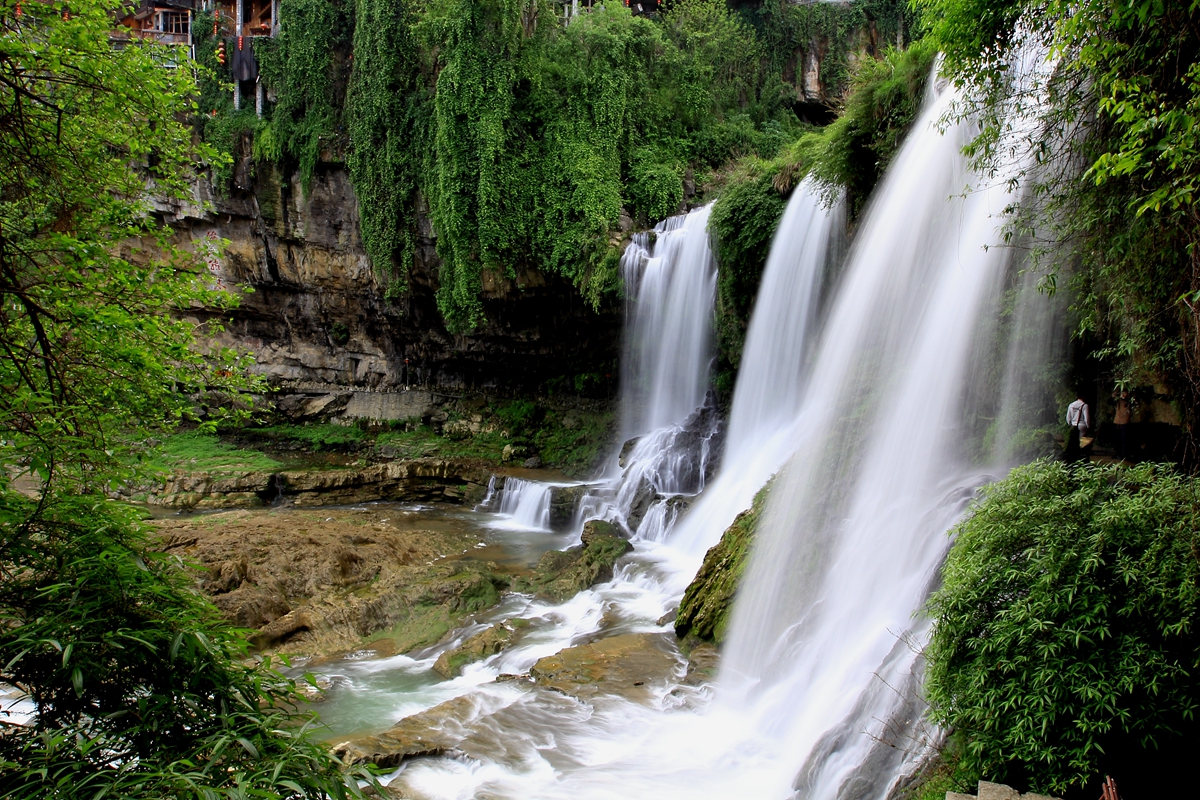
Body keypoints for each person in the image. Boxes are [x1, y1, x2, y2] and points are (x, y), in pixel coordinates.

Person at [1065, 394, 1090, 463]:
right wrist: (1088, 426)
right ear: (1084, 397)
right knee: (1082, 442)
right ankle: (1082, 456)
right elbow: (1086, 418)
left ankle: (1074, 455)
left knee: (1074, 441)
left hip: (1073, 425)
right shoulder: (1084, 405)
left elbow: (1068, 418)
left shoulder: (1071, 405)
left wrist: (1070, 424)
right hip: (1082, 426)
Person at [1114, 389, 1132, 459]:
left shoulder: (1129, 400)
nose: (1124, 395)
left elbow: (1128, 403)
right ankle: (1117, 453)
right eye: (1122, 393)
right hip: (1116, 421)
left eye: (1125, 393)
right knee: (1116, 439)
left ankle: (1124, 454)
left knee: (1124, 439)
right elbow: (1109, 402)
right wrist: (1115, 396)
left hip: (1124, 422)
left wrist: (1123, 398)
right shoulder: (1118, 401)